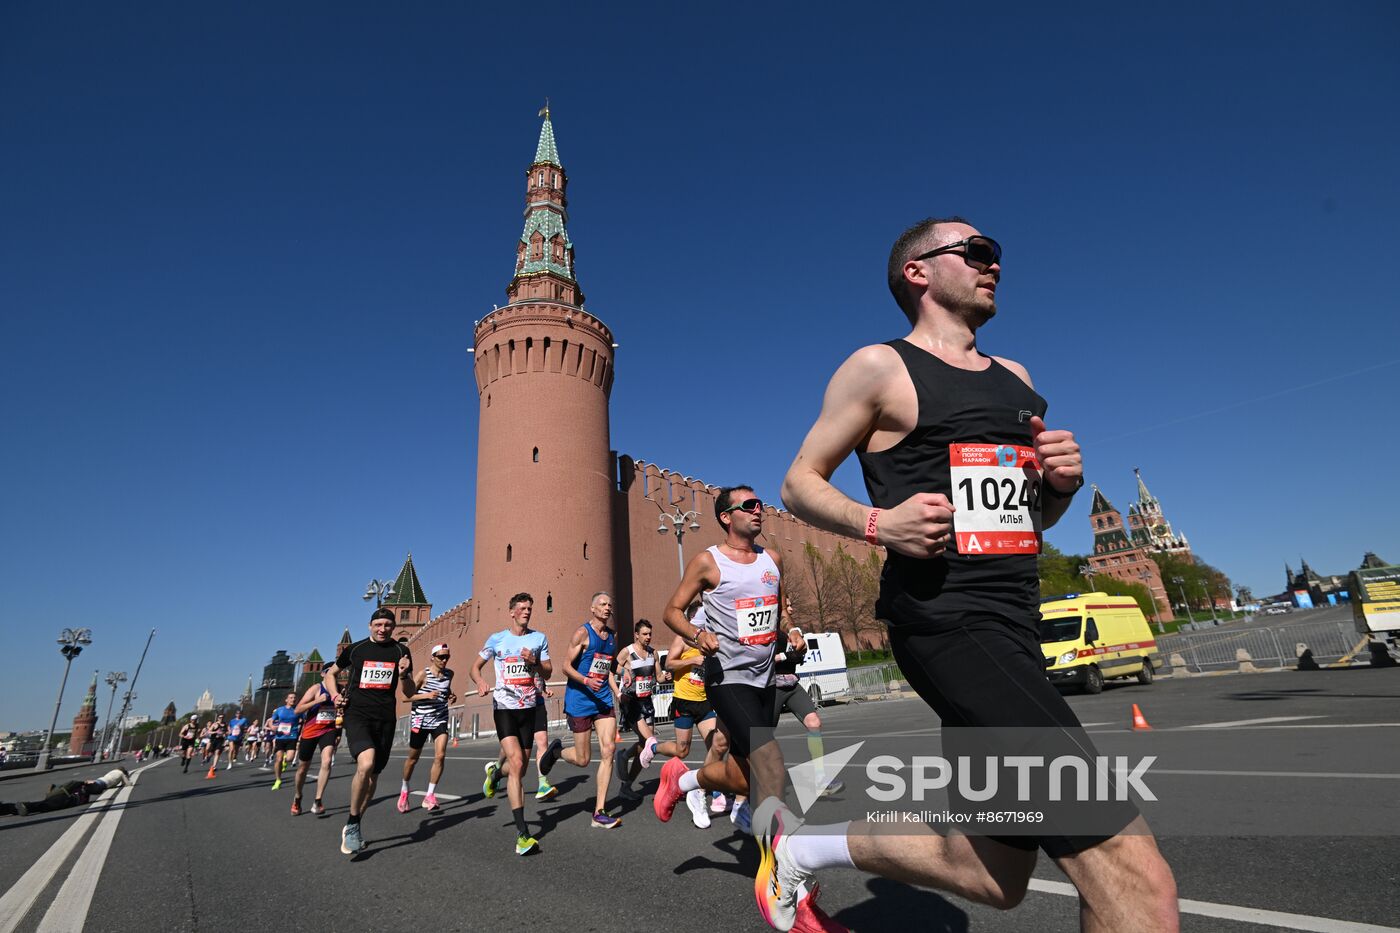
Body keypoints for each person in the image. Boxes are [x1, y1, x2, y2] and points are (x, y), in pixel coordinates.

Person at [774, 217, 1179, 932]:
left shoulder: (1017, 378)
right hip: (946, 619)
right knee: (1137, 879)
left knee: (990, 871)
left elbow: (1036, 519)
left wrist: (1059, 484)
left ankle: (803, 845)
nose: (995, 265)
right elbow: (799, 482)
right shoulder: (880, 366)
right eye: (978, 251)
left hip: (1016, 618)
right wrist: (880, 524)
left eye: (997, 255)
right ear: (918, 272)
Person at [653, 487, 804, 838]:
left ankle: (683, 779)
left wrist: (793, 631)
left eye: (760, 504)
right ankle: (783, 866)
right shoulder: (709, 561)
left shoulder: (773, 560)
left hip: (765, 680)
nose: (759, 510)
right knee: (771, 765)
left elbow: (779, 612)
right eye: (749, 505)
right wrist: (696, 634)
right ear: (726, 517)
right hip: (728, 678)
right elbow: (671, 611)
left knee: (744, 775)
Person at [322, 606, 415, 856]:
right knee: (365, 763)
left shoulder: (401, 651)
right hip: (357, 714)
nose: (383, 629)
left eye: (387, 625)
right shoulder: (357, 649)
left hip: (385, 718)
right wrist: (334, 695)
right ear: (370, 626)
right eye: (378, 625)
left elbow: (408, 692)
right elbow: (330, 674)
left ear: (393, 628)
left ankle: (355, 822)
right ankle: (352, 822)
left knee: (373, 776)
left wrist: (404, 674)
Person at [471, 592, 552, 855]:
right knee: (516, 763)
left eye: (530, 608)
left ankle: (495, 773)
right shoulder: (497, 639)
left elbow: (548, 671)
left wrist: (535, 662)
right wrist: (481, 682)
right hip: (504, 707)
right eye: (522, 608)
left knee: (521, 767)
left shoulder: (538, 639)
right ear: (512, 612)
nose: (527, 612)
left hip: (529, 708)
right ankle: (522, 834)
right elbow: (475, 667)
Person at [540, 591, 622, 829]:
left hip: (603, 700)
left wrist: (616, 689)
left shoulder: (611, 638)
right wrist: (586, 681)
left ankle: (599, 812)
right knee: (583, 759)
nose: (607, 608)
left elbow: (605, 669)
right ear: (592, 608)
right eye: (602, 604)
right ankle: (556, 753)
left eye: (610, 604)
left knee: (609, 749)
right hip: (580, 700)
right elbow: (566, 666)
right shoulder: (582, 633)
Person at [653, 609, 732, 829]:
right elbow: (669, 663)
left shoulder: (711, 638)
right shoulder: (683, 638)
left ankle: (708, 791)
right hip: (684, 701)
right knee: (682, 750)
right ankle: (653, 748)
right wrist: (693, 660)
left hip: (704, 701)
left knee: (717, 745)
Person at [771, 616, 842, 797]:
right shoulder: (765, 624)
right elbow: (760, 659)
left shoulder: (792, 630)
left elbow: (801, 653)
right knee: (762, 736)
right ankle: (740, 781)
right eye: (788, 604)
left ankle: (820, 780)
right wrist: (785, 656)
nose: (791, 608)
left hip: (792, 684)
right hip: (771, 686)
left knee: (814, 722)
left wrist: (799, 654)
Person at [398, 643, 456, 814]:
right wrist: (426, 695)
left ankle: (430, 795)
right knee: (413, 758)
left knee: (440, 755)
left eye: (447, 657)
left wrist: (451, 695)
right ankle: (404, 789)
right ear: (433, 657)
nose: (444, 660)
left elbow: (445, 690)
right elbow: (406, 698)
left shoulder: (449, 674)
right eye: (441, 657)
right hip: (420, 720)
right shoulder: (423, 674)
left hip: (439, 719)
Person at [613, 618, 666, 801]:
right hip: (631, 702)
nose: (648, 637)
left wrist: (665, 676)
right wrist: (624, 673)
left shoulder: (653, 654)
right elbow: (614, 668)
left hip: (647, 702)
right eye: (644, 634)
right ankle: (625, 755)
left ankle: (626, 783)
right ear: (636, 635)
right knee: (650, 741)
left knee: (646, 747)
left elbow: (658, 677)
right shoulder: (627, 652)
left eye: (650, 634)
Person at [292, 680, 340, 816]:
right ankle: (297, 796)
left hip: (328, 730)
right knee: (303, 768)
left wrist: (339, 731)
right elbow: (297, 710)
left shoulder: (340, 689)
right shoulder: (316, 688)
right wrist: (317, 700)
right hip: (310, 732)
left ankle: (318, 800)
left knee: (327, 761)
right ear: (324, 674)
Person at [2, 768, 130, 816]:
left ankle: (14, 808)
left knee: (46, 805)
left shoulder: (111, 773)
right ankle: (24, 807)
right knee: (46, 806)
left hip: (68, 797)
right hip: (67, 798)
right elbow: (95, 789)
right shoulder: (85, 788)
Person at [266, 693, 301, 790]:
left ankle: (286, 760)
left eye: (294, 698)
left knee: (290, 758)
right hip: (280, 737)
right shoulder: (279, 710)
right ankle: (278, 780)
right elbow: (271, 721)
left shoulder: (298, 710)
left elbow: (305, 720)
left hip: (292, 737)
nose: (293, 699)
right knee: (278, 759)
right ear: (286, 700)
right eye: (291, 698)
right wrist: (272, 726)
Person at [205, 714, 227, 779]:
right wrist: (215, 732)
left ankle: (214, 766)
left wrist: (226, 733)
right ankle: (208, 757)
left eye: (222, 717)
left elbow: (228, 730)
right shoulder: (215, 724)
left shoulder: (225, 724)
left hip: (220, 740)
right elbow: (209, 731)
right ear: (218, 718)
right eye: (220, 717)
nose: (221, 719)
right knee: (211, 753)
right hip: (214, 740)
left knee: (217, 752)